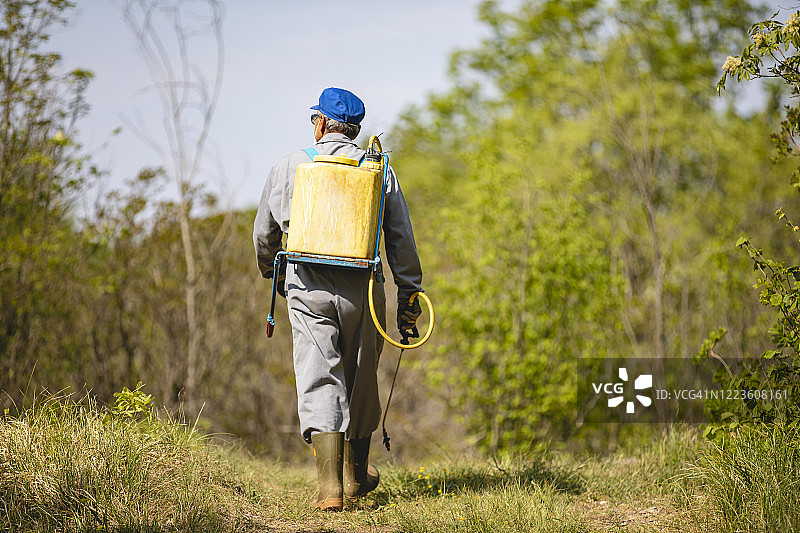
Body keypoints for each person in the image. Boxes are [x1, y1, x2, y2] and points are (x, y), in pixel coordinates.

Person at [253, 87, 423, 511]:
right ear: (355, 130)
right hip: (364, 287)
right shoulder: (379, 167)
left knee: (318, 375)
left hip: (306, 286)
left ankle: (331, 489)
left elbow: (264, 235)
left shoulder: (289, 165)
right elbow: (399, 237)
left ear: (321, 123)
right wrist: (409, 290)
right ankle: (356, 475)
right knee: (361, 376)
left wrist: (273, 274)